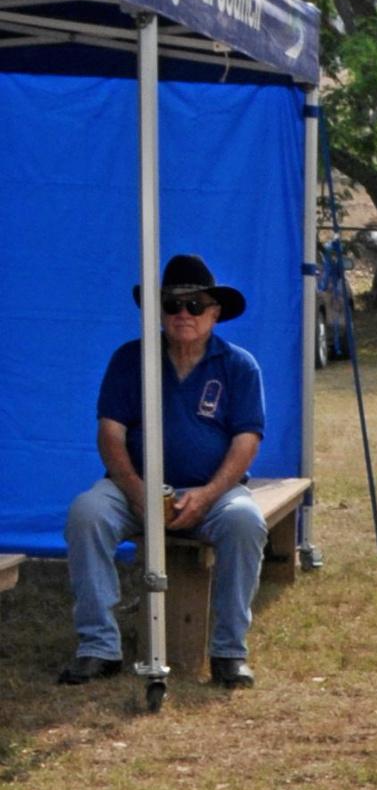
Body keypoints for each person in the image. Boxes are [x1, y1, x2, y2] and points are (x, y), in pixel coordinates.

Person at [62, 253, 268, 690]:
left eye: (195, 305)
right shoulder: (130, 359)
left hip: (212, 492)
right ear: (158, 311)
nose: (182, 314)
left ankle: (230, 652)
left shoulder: (239, 365)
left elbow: (247, 440)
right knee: (86, 513)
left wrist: (209, 494)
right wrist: (137, 490)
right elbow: (110, 434)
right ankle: (98, 646)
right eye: (172, 305)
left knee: (246, 521)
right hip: (133, 487)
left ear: (215, 312)